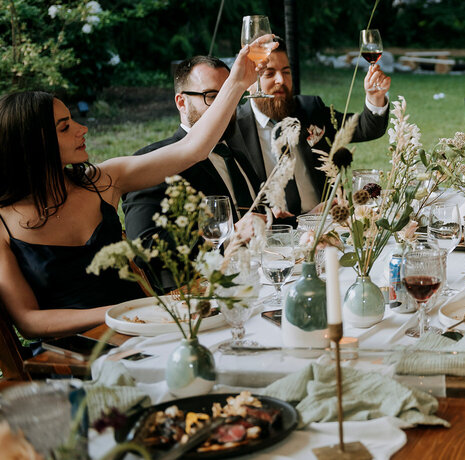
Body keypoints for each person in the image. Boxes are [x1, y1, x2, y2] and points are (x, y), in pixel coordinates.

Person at [0, 38, 268, 338]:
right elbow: (28, 321)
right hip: (73, 355)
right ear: (32, 146)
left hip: (147, 329)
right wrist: (126, 312)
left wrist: (237, 83)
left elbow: (193, 149)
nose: (82, 128)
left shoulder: (102, 181)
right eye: (64, 127)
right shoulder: (2, 226)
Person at [122, 56, 264, 287]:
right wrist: (228, 235)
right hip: (198, 295)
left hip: (259, 278)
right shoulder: (153, 162)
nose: (225, 105)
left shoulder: (234, 153)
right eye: (212, 96)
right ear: (181, 102)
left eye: (231, 94)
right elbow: (144, 248)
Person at [236, 37, 391, 217]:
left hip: (325, 223)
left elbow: (366, 128)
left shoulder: (309, 109)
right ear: (248, 81)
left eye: (286, 72)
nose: (281, 80)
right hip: (270, 231)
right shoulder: (235, 128)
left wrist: (375, 97)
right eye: (269, 73)